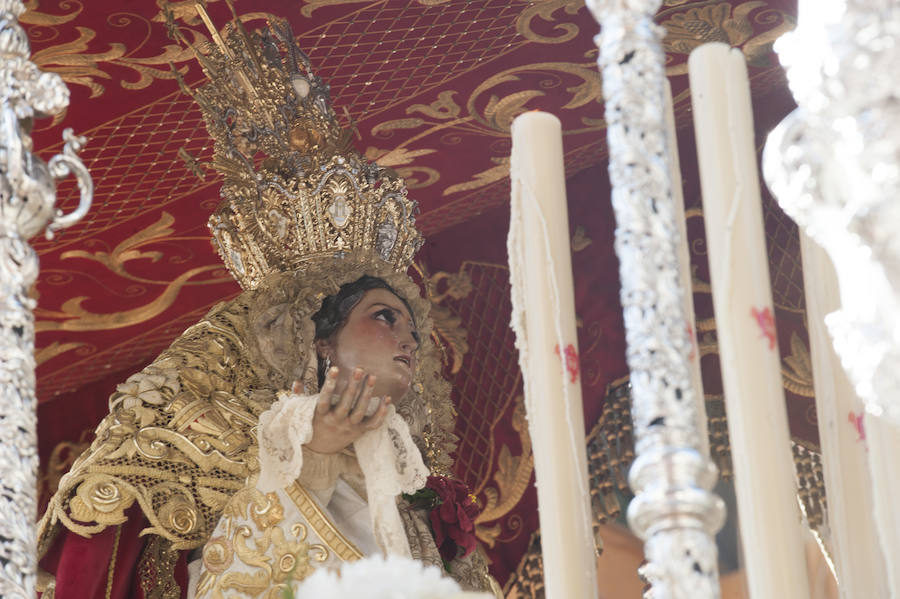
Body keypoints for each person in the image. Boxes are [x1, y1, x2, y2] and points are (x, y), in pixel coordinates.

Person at [37, 11, 498, 599]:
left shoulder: (414, 491)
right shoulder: (246, 446)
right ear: (320, 340)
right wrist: (316, 458)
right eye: (384, 316)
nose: (410, 340)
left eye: (411, 324)